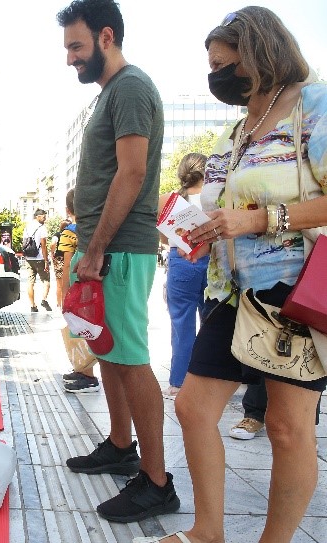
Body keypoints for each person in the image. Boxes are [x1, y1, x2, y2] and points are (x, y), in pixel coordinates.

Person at [150, 8, 327, 543]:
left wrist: (258, 218)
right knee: (193, 406)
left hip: (292, 290)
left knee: (287, 428)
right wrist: (202, 236)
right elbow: (223, 206)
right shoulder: (235, 131)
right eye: (212, 68)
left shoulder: (313, 106)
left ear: (261, 51)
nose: (217, 77)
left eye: (225, 64)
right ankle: (208, 533)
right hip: (232, 290)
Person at [57, 0, 179, 524]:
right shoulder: (112, 93)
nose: (69, 59)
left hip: (121, 248)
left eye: (76, 46)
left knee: (129, 358)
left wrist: (99, 247)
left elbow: (131, 174)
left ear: (107, 36)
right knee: (108, 351)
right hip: (105, 247)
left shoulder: (129, 88)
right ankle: (120, 444)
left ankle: (156, 481)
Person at [157, 153, 209, 399]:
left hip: (182, 260)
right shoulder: (217, 197)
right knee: (213, 323)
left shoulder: (170, 200)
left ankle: (178, 382)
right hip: (213, 261)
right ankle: (212, 381)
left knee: (181, 323)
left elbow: (166, 239)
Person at [59, 189, 100, 393]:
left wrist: (63, 291)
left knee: (79, 327)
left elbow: (67, 265)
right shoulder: (94, 228)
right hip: (90, 285)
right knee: (87, 325)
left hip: (76, 284)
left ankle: (88, 375)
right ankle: (83, 368)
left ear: (68, 210)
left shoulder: (69, 232)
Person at [22, 209, 51, 312]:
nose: (45, 218)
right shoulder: (42, 228)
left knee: (30, 282)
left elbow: (24, 243)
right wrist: (46, 261)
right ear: (37, 216)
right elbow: (44, 245)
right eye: (43, 216)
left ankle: (32, 306)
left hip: (29, 258)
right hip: (39, 259)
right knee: (46, 280)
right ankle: (44, 300)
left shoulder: (27, 227)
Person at [50, 219, 70, 308]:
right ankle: (66, 303)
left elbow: (52, 244)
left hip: (58, 260)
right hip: (69, 259)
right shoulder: (70, 235)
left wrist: (52, 253)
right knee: (68, 282)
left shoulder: (57, 235)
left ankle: (59, 304)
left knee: (59, 283)